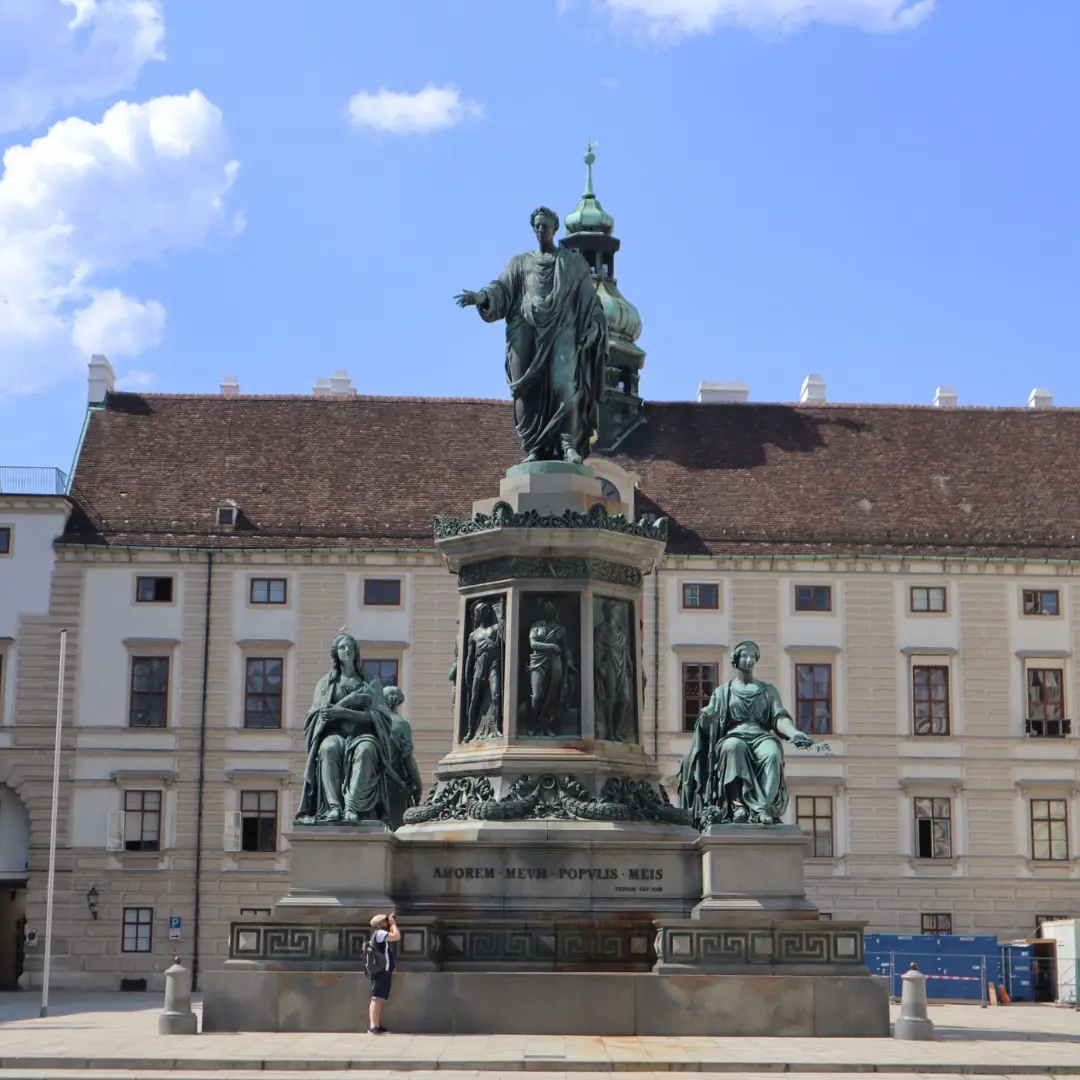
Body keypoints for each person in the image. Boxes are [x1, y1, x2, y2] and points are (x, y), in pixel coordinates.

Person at [455, 206, 608, 464]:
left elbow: (590, 303)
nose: (540, 230)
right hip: (526, 332)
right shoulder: (520, 263)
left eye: (544, 225)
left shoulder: (573, 264)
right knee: (526, 393)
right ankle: (534, 447)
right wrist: (481, 297)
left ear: (555, 228)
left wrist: (593, 328)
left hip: (562, 331)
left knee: (565, 385)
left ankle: (568, 445)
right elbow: (501, 288)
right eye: (536, 225)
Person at [679, 640, 816, 825]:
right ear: (736, 660)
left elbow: (779, 718)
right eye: (745, 656)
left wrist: (793, 733)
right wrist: (705, 719)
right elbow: (708, 727)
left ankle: (762, 809)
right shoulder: (722, 692)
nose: (749, 660)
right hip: (734, 736)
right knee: (733, 747)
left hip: (761, 737)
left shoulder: (767, 690)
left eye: (753, 656)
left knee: (773, 753)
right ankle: (738, 807)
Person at [295, 632, 402, 825]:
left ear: (356, 652)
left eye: (350, 647)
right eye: (342, 647)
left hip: (363, 735)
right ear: (335, 653)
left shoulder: (370, 682)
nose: (347, 650)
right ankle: (334, 806)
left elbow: (380, 716)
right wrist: (349, 702)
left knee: (367, 751)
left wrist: (343, 712)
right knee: (328, 748)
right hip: (334, 734)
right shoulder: (325, 684)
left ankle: (352, 807)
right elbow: (319, 715)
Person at [383, 686, 422, 829]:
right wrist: (418, 785)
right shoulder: (400, 724)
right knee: (396, 828)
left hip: (372, 781)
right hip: (395, 785)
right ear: (396, 702)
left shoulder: (371, 721)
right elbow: (408, 760)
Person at [368, 912, 400, 1034]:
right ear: (379, 924)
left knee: (379, 998)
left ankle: (376, 1024)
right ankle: (372, 1026)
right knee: (376, 998)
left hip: (383, 970)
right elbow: (396, 936)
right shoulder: (380, 933)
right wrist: (394, 924)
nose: (387, 923)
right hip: (380, 970)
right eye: (385, 921)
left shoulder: (380, 934)